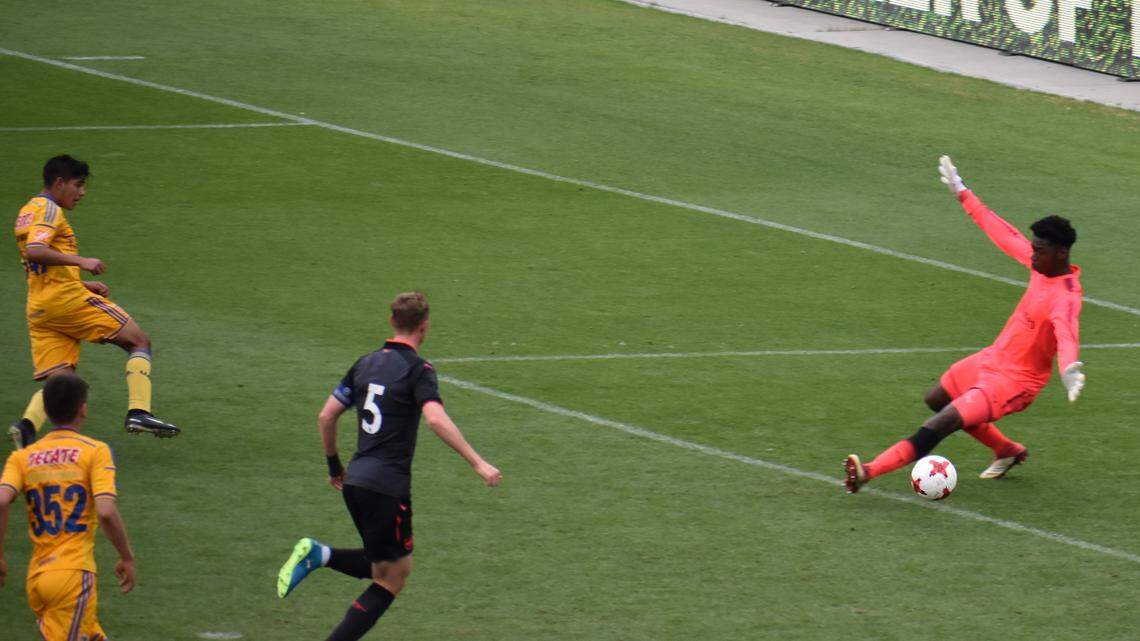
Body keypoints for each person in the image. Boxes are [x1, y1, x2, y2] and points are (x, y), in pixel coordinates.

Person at [844, 156, 1086, 493]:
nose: (1032, 256)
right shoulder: (1041, 267)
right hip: (993, 360)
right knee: (937, 399)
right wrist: (962, 192)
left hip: (1015, 381)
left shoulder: (1066, 296)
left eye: (1039, 251)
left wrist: (1068, 368)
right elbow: (1003, 233)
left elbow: (1066, 331)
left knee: (943, 421)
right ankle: (1007, 450)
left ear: (1061, 253)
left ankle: (868, 471)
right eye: (1033, 249)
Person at [276, 292, 502, 641]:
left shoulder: (364, 364)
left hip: (355, 480)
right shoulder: (418, 370)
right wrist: (478, 463)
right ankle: (320, 560)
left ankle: (320, 555)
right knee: (390, 578)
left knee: (391, 566)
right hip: (386, 487)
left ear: (391, 321)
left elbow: (326, 416)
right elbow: (435, 419)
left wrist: (334, 465)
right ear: (424, 327)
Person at [10, 154, 179, 449]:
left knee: (62, 381)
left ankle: (26, 426)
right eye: (78, 185)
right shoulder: (49, 210)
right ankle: (139, 411)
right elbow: (36, 251)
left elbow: (37, 266)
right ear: (59, 182)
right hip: (66, 302)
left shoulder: (27, 211)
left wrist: (80, 282)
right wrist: (82, 261)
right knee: (138, 341)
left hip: (40, 307)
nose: (82, 192)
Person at [0, 373, 136, 641]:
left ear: (46, 410)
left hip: (37, 577)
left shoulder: (22, 457)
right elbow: (106, 511)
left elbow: (2, 500)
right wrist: (127, 557)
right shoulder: (95, 451)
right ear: (83, 409)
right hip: (72, 578)